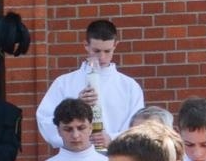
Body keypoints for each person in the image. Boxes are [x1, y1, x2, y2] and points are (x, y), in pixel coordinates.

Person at [35, 20, 145, 151]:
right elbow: (45, 119)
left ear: (116, 45)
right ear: (86, 45)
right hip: (76, 158)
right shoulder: (64, 83)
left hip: (116, 156)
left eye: (107, 51)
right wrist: (75, 107)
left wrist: (112, 138)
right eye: (96, 51)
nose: (102, 57)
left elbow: (138, 126)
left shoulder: (129, 87)